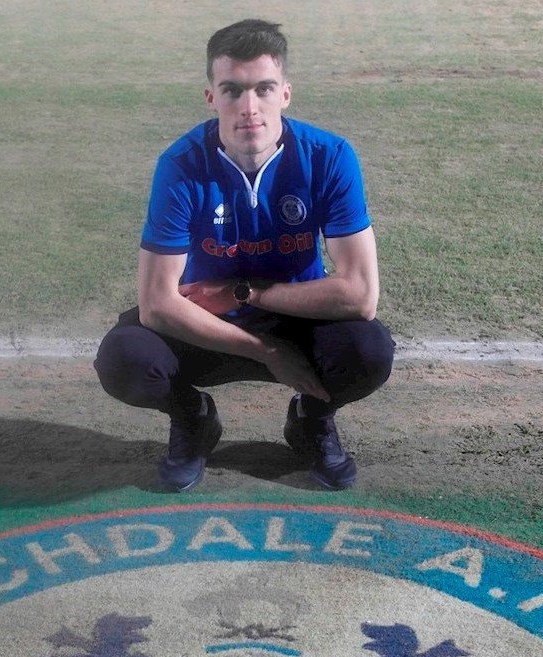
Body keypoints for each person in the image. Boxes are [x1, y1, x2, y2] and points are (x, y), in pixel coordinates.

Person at [94, 19, 395, 492]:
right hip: (207, 322)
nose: (249, 107)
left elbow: (360, 296)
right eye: (232, 90)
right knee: (124, 359)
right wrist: (265, 351)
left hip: (300, 319)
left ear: (286, 94)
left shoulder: (329, 156)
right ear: (211, 97)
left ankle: (312, 418)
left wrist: (246, 292)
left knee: (369, 351)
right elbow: (156, 304)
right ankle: (192, 418)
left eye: (264, 89)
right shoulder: (180, 165)